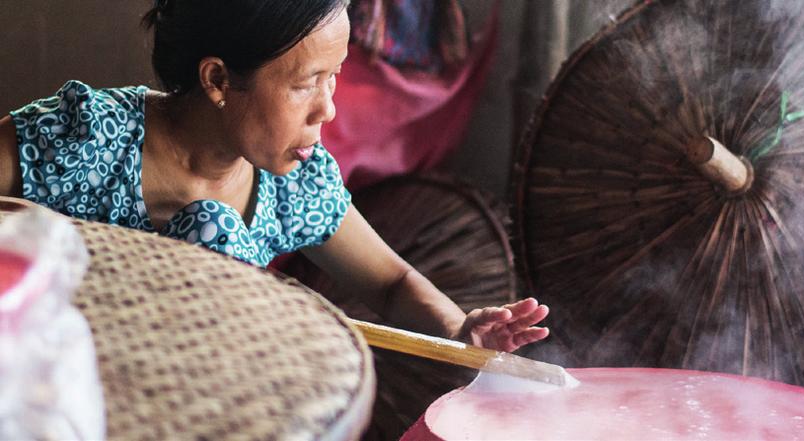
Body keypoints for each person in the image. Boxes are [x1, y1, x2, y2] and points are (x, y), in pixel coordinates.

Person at [0, 0, 549, 353]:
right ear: (218, 79)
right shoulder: (87, 140)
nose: (328, 110)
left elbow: (391, 282)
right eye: (306, 83)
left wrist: (459, 332)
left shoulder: (293, 184)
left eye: (334, 78)